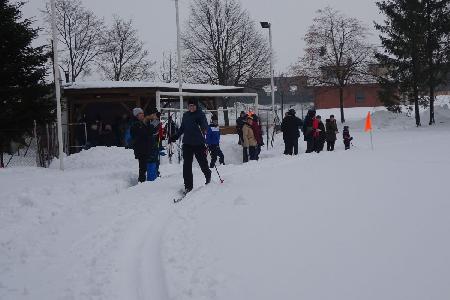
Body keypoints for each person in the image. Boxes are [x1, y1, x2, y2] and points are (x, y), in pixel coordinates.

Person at [170, 99, 211, 193]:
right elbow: (182, 128)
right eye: (189, 106)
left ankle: (208, 175)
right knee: (187, 166)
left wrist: (202, 126)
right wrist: (175, 136)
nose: (191, 107)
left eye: (193, 105)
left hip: (199, 144)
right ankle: (188, 186)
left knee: (203, 163)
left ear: (196, 106)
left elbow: (205, 126)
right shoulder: (186, 115)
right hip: (187, 144)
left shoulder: (200, 114)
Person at [130, 107, 156, 183]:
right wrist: (151, 125)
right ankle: (142, 182)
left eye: (143, 114)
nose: (143, 115)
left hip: (145, 148)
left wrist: (154, 123)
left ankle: (144, 181)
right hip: (140, 149)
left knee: (145, 166)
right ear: (136, 115)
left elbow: (151, 132)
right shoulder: (135, 124)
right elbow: (145, 134)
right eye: (141, 114)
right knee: (142, 167)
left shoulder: (142, 123)